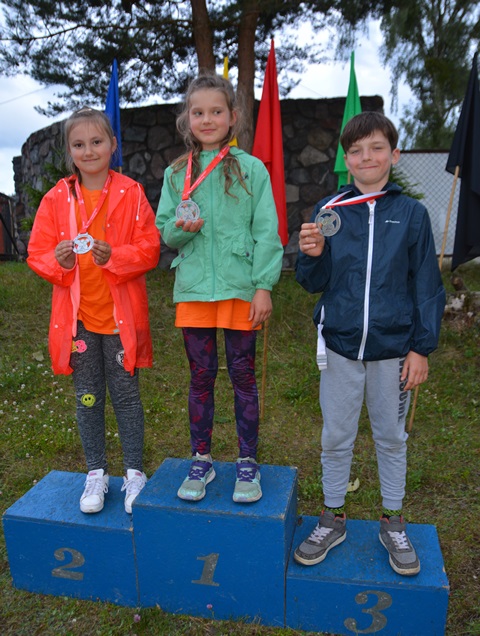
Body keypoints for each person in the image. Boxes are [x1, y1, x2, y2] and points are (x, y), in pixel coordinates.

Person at [294, 112, 445, 576]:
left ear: (394, 155)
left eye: (377, 148)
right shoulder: (331, 210)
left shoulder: (412, 214)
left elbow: (427, 285)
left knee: (391, 437)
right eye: (357, 151)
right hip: (341, 347)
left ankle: (392, 521)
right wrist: (311, 255)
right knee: (336, 435)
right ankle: (333, 517)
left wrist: (421, 348)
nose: (367, 157)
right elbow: (313, 281)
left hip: (394, 350)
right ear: (346, 159)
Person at [156, 73, 283, 504]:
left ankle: (248, 462)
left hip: (239, 289)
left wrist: (262, 286)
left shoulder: (252, 169)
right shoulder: (176, 173)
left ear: (233, 116)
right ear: (187, 119)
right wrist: (182, 229)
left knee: (243, 377)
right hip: (194, 290)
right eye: (198, 112)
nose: (207, 119)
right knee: (201, 378)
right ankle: (202, 459)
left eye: (216, 111)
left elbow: (266, 231)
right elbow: (166, 231)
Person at [27, 107, 160, 515]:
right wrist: (60, 261)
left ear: (113, 145)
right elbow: (37, 253)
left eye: (97, 142)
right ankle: (96, 472)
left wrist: (114, 255)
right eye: (79, 144)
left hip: (120, 321)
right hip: (79, 323)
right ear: (69, 151)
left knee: (126, 398)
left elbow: (150, 248)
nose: (89, 151)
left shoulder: (131, 193)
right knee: (87, 399)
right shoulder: (56, 199)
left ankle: (134, 473)